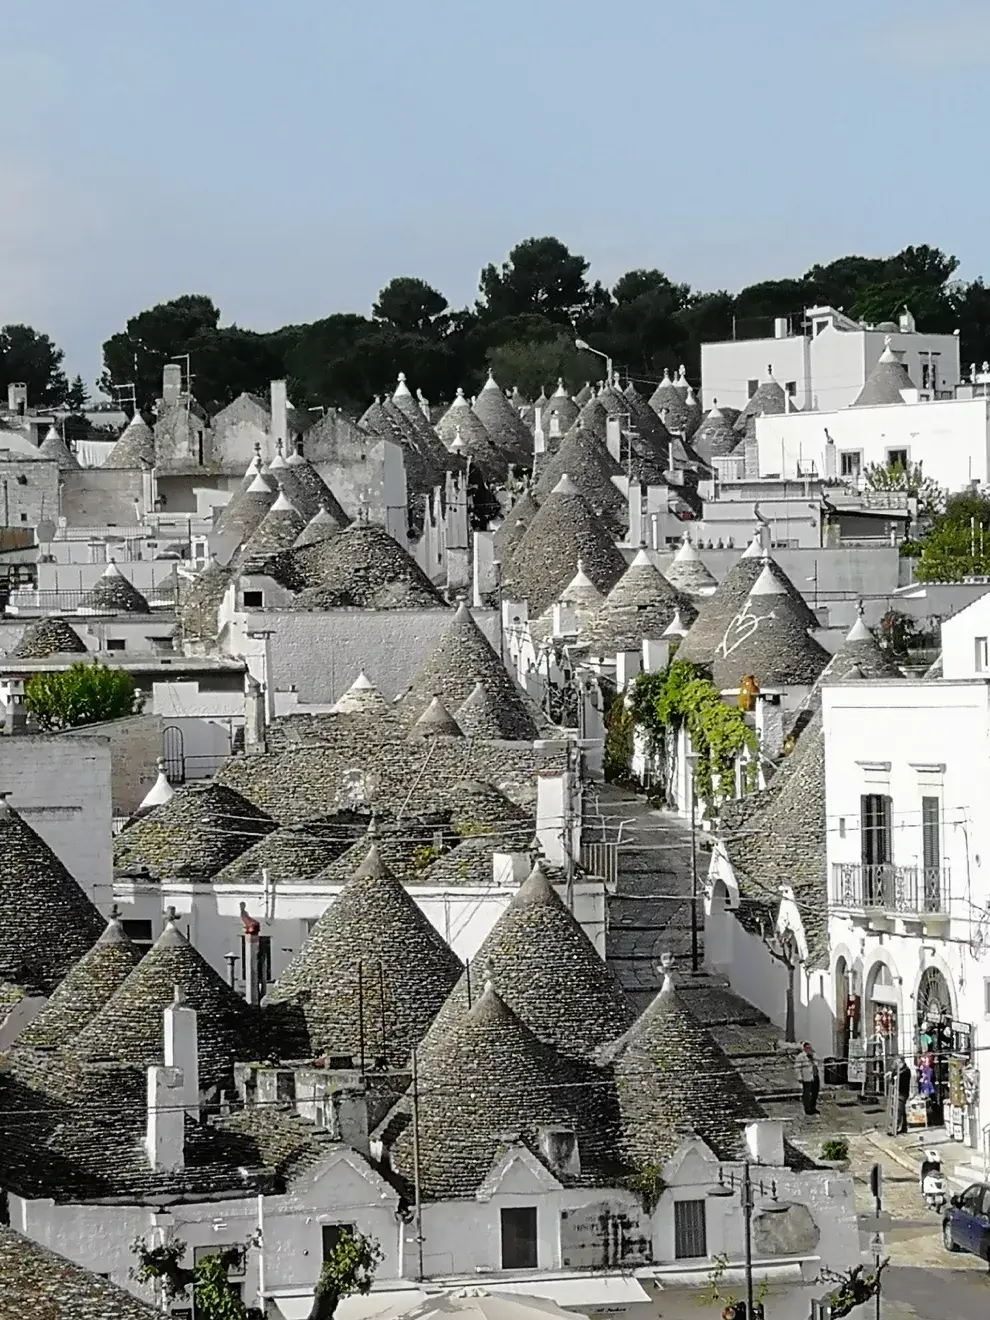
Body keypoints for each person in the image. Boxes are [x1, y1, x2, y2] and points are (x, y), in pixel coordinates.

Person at [795, 1041, 820, 1115]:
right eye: (807, 1048)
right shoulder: (801, 1056)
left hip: (815, 1076)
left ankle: (813, 1107)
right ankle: (807, 1108)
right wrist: (799, 1077)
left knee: (815, 1092)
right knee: (807, 1093)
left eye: (809, 1047)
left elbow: (819, 1061)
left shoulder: (814, 1054)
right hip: (807, 1077)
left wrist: (812, 1055)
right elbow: (797, 1067)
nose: (808, 1049)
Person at [896, 1056, 912, 1134]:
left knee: (899, 1110)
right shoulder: (900, 1070)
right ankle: (903, 1127)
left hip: (902, 1093)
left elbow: (902, 1081)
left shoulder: (906, 1071)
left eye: (898, 1062)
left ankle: (899, 1127)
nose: (897, 1064)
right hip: (899, 1092)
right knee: (901, 1110)